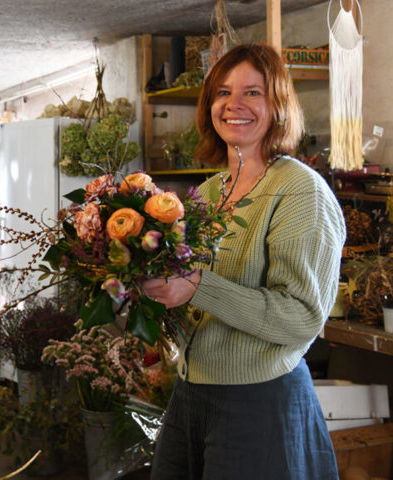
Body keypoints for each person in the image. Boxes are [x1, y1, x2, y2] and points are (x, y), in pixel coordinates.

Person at [142, 43, 345, 479]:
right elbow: (191, 295)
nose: (233, 105)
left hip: (259, 402)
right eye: (222, 93)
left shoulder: (299, 191)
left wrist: (198, 286)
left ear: (278, 105)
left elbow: (302, 317)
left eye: (253, 92)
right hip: (192, 394)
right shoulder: (210, 192)